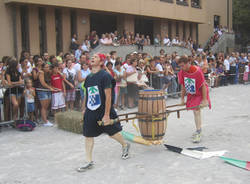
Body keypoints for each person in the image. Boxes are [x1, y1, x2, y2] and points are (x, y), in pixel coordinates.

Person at [77, 54, 130, 172]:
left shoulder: (105, 76)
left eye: (95, 57)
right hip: (91, 110)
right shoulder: (89, 77)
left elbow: (108, 96)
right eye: (92, 57)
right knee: (88, 135)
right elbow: (87, 94)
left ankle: (125, 145)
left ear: (101, 62)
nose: (92, 58)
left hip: (103, 110)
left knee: (112, 133)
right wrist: (84, 108)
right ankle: (88, 161)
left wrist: (106, 114)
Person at [177, 56, 211, 143]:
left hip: (201, 92)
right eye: (180, 66)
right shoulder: (182, 72)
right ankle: (198, 129)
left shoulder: (197, 70)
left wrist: (204, 100)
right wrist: (182, 99)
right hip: (192, 93)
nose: (181, 68)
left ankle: (199, 132)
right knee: (195, 111)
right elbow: (183, 86)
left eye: (183, 65)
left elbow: (203, 85)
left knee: (196, 111)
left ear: (188, 63)